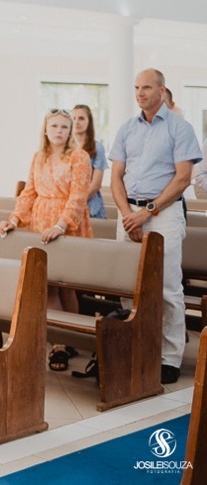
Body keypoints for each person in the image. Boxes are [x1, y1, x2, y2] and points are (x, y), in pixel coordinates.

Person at [110, 68, 201, 385]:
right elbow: (116, 177)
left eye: (146, 87)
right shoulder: (126, 129)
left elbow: (182, 179)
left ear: (162, 90)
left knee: (167, 288)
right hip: (130, 213)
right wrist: (127, 215)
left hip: (163, 214)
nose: (140, 93)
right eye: (136, 87)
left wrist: (145, 213)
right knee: (128, 288)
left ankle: (170, 357)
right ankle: (138, 347)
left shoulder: (180, 127)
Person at [0, 109, 92, 371]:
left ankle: (72, 338)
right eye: (54, 126)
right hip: (40, 221)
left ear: (70, 130)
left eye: (64, 126)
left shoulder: (79, 157)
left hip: (66, 223)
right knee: (48, 284)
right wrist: (14, 220)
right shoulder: (39, 157)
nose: (59, 131)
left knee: (67, 284)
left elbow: (78, 196)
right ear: (46, 130)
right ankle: (60, 343)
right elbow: (28, 193)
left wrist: (61, 225)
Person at [72, 104, 109, 218]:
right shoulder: (66, 147)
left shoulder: (97, 147)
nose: (77, 122)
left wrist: (76, 203)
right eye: (74, 118)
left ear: (89, 122)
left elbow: (96, 184)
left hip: (90, 204)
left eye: (81, 118)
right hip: (68, 202)